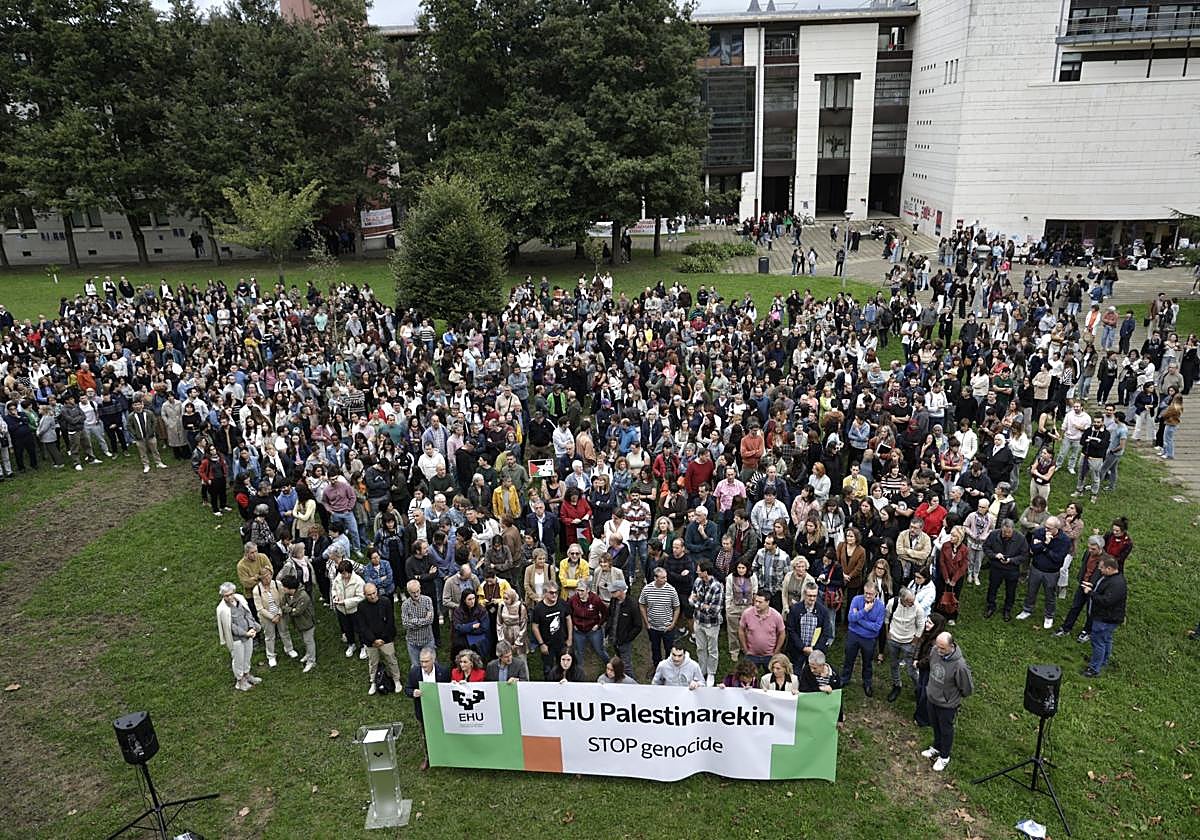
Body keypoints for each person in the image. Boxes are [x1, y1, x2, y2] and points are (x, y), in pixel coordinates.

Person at [921, 631, 974, 772]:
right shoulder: (934, 651)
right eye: (937, 647)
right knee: (935, 725)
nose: (939, 650)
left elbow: (967, 688)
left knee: (946, 730)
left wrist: (950, 697)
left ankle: (944, 757)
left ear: (951, 646)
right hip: (932, 697)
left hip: (947, 704)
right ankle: (936, 747)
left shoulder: (959, 665)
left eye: (942, 648)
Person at [1017, 516, 1072, 629]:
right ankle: (1027, 609)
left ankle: (1049, 616)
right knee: (1031, 591)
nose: (1046, 530)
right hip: (1036, 568)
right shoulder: (1039, 532)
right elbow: (1033, 549)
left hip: (1051, 572)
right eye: (1045, 527)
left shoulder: (1064, 540)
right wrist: (1045, 544)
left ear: (1057, 528)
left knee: (1050, 595)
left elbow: (1058, 558)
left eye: (1049, 528)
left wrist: (1044, 548)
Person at [404, 647, 450, 769]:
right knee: (426, 735)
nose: (423, 664)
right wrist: (413, 692)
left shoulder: (443, 671)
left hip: (441, 710)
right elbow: (407, 689)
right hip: (423, 711)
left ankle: (446, 755)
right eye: (421, 661)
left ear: (433, 660)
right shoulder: (415, 673)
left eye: (426, 661)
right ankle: (428, 757)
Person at [1082, 555, 1127, 678]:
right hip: (1109, 618)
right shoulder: (1112, 578)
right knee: (1106, 640)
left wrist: (1090, 593)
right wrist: (1092, 587)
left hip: (1105, 619)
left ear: (1109, 568)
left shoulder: (1116, 584)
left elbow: (1106, 601)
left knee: (1098, 642)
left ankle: (1094, 668)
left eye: (1101, 568)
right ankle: (1103, 661)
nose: (1100, 570)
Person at [358, 582, 403, 696]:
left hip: (386, 638)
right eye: (369, 595)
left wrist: (382, 638)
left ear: (377, 591)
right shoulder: (361, 606)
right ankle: (373, 681)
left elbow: (390, 621)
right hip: (370, 641)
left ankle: (396, 679)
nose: (373, 596)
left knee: (391, 659)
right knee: (373, 662)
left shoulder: (385, 602)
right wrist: (373, 640)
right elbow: (362, 626)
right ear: (364, 594)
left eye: (374, 593)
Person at [840, 585, 885, 696]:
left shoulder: (880, 606)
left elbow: (876, 627)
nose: (868, 596)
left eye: (870, 594)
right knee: (849, 659)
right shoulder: (856, 600)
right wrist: (864, 611)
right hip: (853, 635)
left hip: (869, 639)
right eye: (866, 593)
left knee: (867, 662)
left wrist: (858, 619)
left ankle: (867, 683)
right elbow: (850, 618)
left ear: (876, 594)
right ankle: (844, 679)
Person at [216, 581, 261, 692]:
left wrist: (252, 628)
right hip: (236, 639)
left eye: (231, 594)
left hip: (248, 634)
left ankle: (247, 675)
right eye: (226, 595)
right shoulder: (222, 609)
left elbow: (248, 614)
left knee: (247, 656)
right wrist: (245, 633)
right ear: (223, 596)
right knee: (238, 659)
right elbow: (231, 627)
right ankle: (240, 681)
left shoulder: (240, 599)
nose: (230, 597)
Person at [884, 587, 925, 703]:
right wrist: (887, 633)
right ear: (902, 599)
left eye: (913, 600)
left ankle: (919, 689)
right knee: (893, 664)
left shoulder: (918, 608)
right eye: (909, 601)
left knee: (911, 669)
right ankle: (897, 685)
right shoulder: (893, 603)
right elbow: (886, 618)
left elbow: (921, 625)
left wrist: (915, 640)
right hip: (894, 640)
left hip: (909, 642)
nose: (912, 603)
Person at [982, 518, 1028, 621]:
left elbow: (1024, 555)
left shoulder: (1020, 538)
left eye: (1009, 532)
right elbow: (986, 548)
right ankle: (990, 606)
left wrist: (1011, 560)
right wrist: (994, 555)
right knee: (992, 588)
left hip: (1012, 569)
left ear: (1013, 529)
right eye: (1005, 532)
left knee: (1010, 591)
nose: (1007, 534)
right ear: (1001, 528)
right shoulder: (994, 535)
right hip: (996, 568)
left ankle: (1007, 609)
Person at [251, 567, 296, 667]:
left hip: (280, 614)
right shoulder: (256, 590)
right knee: (269, 636)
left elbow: (282, 600)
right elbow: (260, 608)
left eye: (269, 576)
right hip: (266, 617)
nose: (267, 579)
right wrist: (272, 617)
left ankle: (289, 649)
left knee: (284, 632)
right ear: (261, 579)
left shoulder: (277, 584)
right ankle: (271, 656)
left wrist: (279, 613)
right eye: (265, 578)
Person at [688, 562, 724, 686]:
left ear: (705, 572)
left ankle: (711, 673)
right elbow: (691, 598)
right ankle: (701, 671)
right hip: (698, 621)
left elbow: (714, 611)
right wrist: (702, 605)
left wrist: (697, 604)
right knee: (700, 648)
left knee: (712, 650)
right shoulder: (697, 581)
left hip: (711, 624)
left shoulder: (717, 587)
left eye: (699, 570)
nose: (697, 572)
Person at [638, 566, 681, 667]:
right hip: (653, 628)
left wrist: (673, 624)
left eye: (666, 577)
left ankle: (669, 669)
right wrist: (647, 623)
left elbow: (677, 608)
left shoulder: (671, 590)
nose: (665, 580)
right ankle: (657, 668)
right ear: (655, 578)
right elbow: (641, 604)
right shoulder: (647, 589)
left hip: (668, 628)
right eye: (662, 578)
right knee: (655, 649)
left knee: (669, 650)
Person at [531, 583, 572, 679]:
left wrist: (570, 638)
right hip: (547, 644)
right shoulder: (538, 608)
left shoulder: (562, 603)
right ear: (545, 593)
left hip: (562, 642)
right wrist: (541, 644)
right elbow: (534, 627)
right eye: (551, 593)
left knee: (564, 666)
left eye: (556, 592)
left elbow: (568, 619)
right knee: (548, 669)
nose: (554, 595)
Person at [785, 582, 833, 662]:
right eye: (810, 595)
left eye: (814, 596)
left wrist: (814, 649)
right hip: (797, 651)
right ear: (804, 594)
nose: (812, 598)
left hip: (816, 652)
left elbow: (825, 632)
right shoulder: (795, 609)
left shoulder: (823, 611)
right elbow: (791, 630)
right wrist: (803, 647)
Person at [737, 592, 785, 672]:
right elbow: (741, 630)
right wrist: (745, 649)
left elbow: (782, 633)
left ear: (767, 602)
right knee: (748, 678)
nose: (757, 604)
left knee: (771, 679)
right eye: (755, 601)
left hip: (769, 655)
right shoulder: (747, 613)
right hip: (751, 654)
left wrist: (776, 651)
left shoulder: (776, 616)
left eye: (760, 602)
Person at [568, 580, 609, 671]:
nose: (579, 593)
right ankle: (579, 672)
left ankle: (610, 665)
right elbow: (568, 613)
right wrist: (574, 624)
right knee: (579, 652)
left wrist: (598, 625)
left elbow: (605, 613)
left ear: (588, 590)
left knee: (600, 650)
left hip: (593, 630)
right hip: (578, 631)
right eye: (578, 590)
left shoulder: (596, 599)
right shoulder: (573, 600)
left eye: (582, 590)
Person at [280, 575, 316, 673]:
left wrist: (288, 608)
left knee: (309, 641)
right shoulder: (287, 595)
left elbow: (297, 612)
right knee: (304, 640)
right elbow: (282, 605)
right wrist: (290, 609)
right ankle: (308, 654)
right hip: (298, 623)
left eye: (284, 587)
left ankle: (311, 661)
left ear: (289, 588)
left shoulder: (303, 596)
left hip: (307, 622)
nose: (282, 588)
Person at [605, 578, 642, 676]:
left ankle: (631, 684)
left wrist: (627, 639)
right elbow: (610, 615)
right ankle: (619, 677)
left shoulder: (632, 605)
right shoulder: (613, 600)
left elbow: (638, 626)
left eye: (614, 591)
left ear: (621, 591)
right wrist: (607, 630)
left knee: (627, 666)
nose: (611, 593)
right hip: (614, 638)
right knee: (618, 661)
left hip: (624, 642)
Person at [331, 559, 366, 659]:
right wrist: (335, 597)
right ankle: (351, 644)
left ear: (350, 572)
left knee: (359, 629)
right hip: (341, 610)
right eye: (341, 573)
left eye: (344, 573)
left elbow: (361, 597)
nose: (342, 575)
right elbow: (333, 589)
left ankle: (363, 646)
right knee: (347, 628)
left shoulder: (358, 581)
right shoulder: (338, 578)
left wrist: (345, 602)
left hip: (354, 610)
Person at [400, 579, 436, 667]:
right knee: (416, 666)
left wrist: (413, 621)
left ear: (420, 588)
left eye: (417, 591)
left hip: (427, 640)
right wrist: (423, 620)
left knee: (431, 664)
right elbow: (405, 624)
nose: (416, 594)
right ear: (408, 592)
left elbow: (430, 620)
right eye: (413, 592)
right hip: (413, 642)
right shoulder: (405, 605)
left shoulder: (427, 600)